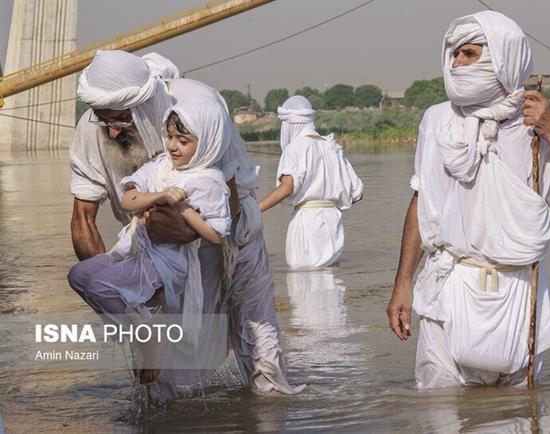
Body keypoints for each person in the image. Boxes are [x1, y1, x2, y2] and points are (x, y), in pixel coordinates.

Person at [386, 11, 550, 388]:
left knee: (517, 416)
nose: (456, 63)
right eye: (453, 54)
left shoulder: (548, 123)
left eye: (469, 53)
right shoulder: (437, 120)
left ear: (502, 57)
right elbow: (423, 202)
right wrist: (402, 283)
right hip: (447, 289)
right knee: (439, 415)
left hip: (519, 293)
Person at [68, 50, 302, 395]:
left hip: (232, 237)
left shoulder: (198, 106)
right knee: (167, 377)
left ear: (145, 103)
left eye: (120, 119)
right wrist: (126, 310)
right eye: (104, 120)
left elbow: (228, 199)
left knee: (259, 350)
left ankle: (268, 415)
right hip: (160, 251)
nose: (113, 132)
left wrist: (180, 223)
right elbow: (83, 217)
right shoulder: (92, 131)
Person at [68, 95, 232, 383]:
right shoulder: (160, 166)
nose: (172, 146)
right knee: (79, 275)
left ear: (205, 142)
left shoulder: (208, 181)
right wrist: (159, 196)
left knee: (99, 287)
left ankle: (148, 336)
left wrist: (184, 211)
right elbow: (128, 199)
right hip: (139, 253)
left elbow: (215, 235)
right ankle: (142, 334)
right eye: (170, 137)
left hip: (169, 264)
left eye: (183, 140)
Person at [259, 96, 364, 269]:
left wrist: (254, 210)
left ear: (290, 124)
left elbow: (287, 187)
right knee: (330, 281)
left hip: (307, 221)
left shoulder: (295, 147)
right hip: (333, 222)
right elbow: (357, 193)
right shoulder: (332, 147)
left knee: (305, 285)